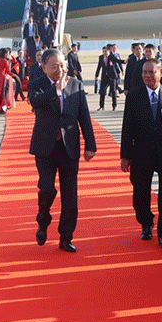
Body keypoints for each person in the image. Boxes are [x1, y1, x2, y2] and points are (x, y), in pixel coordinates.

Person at [28, 49, 96, 252]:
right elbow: (36, 101)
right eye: (54, 66)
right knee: (47, 188)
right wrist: (56, 90)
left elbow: (84, 116)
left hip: (69, 148)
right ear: (44, 67)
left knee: (70, 197)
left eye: (62, 65)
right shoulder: (37, 85)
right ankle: (43, 220)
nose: (60, 70)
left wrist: (90, 145)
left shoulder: (75, 85)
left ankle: (66, 237)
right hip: (45, 148)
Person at [120, 59, 162, 248]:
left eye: (151, 72)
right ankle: (146, 222)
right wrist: (125, 156)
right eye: (144, 72)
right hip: (141, 153)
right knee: (140, 194)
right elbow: (127, 127)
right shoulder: (134, 97)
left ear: (161, 73)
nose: (147, 76)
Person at [95, 46, 119, 111]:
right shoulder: (101, 57)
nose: (104, 52)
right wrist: (96, 75)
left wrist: (125, 61)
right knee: (102, 91)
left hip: (112, 76)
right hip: (104, 77)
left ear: (109, 51)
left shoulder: (111, 57)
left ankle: (114, 106)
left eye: (105, 51)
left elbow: (117, 61)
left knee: (113, 91)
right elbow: (99, 66)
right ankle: (101, 106)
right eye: (103, 51)